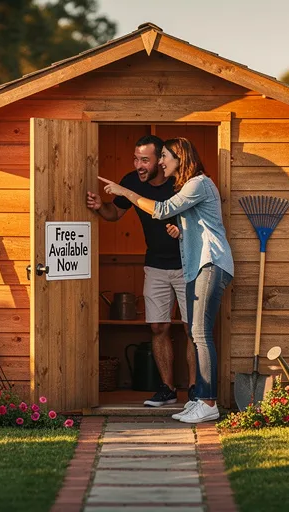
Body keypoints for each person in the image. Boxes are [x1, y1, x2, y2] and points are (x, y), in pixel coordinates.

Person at [98, 137, 233, 424]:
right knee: (197, 333)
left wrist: (125, 191)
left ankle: (206, 401)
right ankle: (198, 400)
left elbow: (160, 210)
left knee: (199, 334)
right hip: (197, 265)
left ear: (179, 159)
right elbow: (198, 225)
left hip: (209, 263)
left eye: (164, 158)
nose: (161, 163)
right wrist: (181, 233)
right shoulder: (191, 185)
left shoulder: (197, 183)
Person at [86, 135, 196, 408]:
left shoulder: (179, 182)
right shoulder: (132, 181)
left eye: (145, 160)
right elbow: (115, 214)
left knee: (193, 330)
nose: (138, 165)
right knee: (158, 326)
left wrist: (183, 230)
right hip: (155, 265)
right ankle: (167, 390)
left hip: (187, 265)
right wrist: (100, 207)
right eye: (136, 159)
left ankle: (196, 390)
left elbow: (197, 218)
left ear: (161, 159)